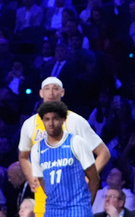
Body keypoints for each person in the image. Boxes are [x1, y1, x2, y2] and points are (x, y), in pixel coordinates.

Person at [19, 77, 111, 217]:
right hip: (46, 201)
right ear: (40, 93)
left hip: (74, 199)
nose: (51, 93)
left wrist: (86, 178)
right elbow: (23, 156)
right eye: (47, 89)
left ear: (62, 92)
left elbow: (103, 153)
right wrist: (31, 176)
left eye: (55, 89)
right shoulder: (29, 124)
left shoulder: (75, 121)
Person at [30, 101, 99, 217]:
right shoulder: (37, 149)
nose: (51, 123)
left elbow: (94, 178)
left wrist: (86, 203)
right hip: (52, 210)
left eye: (55, 119)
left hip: (78, 209)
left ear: (63, 120)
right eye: (47, 119)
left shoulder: (76, 142)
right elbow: (41, 180)